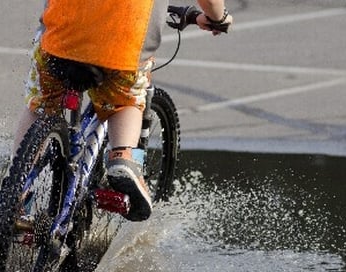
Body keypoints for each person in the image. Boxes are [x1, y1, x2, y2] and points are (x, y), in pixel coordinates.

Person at [13, 0, 233, 221]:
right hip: (121, 43)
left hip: (60, 38)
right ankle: (122, 156)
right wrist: (218, 17)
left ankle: (16, 186)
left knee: (41, 108)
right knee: (125, 102)